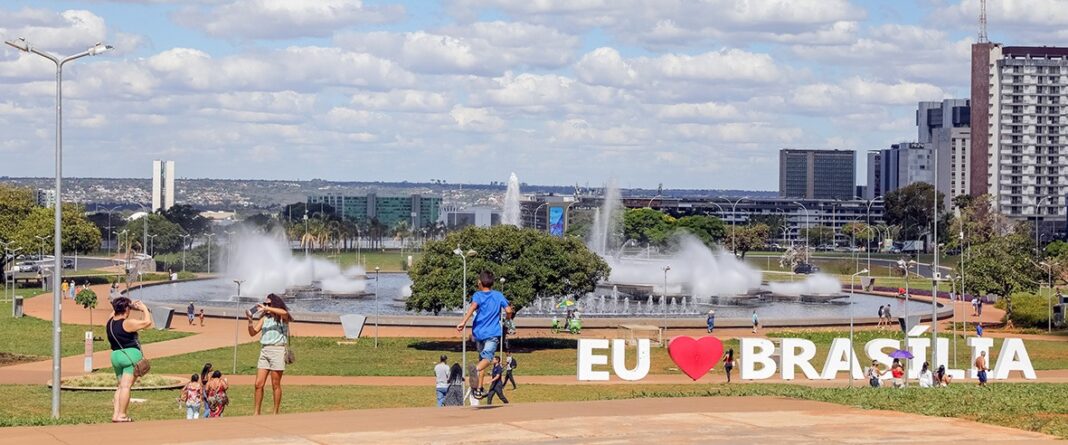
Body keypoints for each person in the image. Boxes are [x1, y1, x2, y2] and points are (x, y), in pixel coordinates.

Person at [455, 271, 514, 399]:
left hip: (478, 334)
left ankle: (479, 390)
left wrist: (463, 322)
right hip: (492, 334)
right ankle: (474, 371)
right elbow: (509, 310)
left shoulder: (477, 295)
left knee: (483, 360)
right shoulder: (498, 296)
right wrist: (508, 318)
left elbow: (471, 309)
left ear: (480, 283)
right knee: (487, 359)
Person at [106, 297, 153, 422]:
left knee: (120, 387)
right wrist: (144, 309)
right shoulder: (127, 323)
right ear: (126, 309)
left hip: (116, 356)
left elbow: (114, 311)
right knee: (126, 387)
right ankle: (122, 415)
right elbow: (147, 323)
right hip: (130, 355)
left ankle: (116, 414)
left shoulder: (109, 321)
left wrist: (123, 304)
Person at [247, 293, 292, 415]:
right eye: (265, 303)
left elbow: (284, 313)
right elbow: (253, 333)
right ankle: (256, 412)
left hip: (277, 350)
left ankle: (275, 412)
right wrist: (250, 322)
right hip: (265, 350)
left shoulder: (282, 318)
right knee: (258, 384)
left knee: (275, 384)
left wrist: (266, 308)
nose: (265, 306)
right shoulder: (264, 319)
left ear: (274, 304)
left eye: (268, 304)